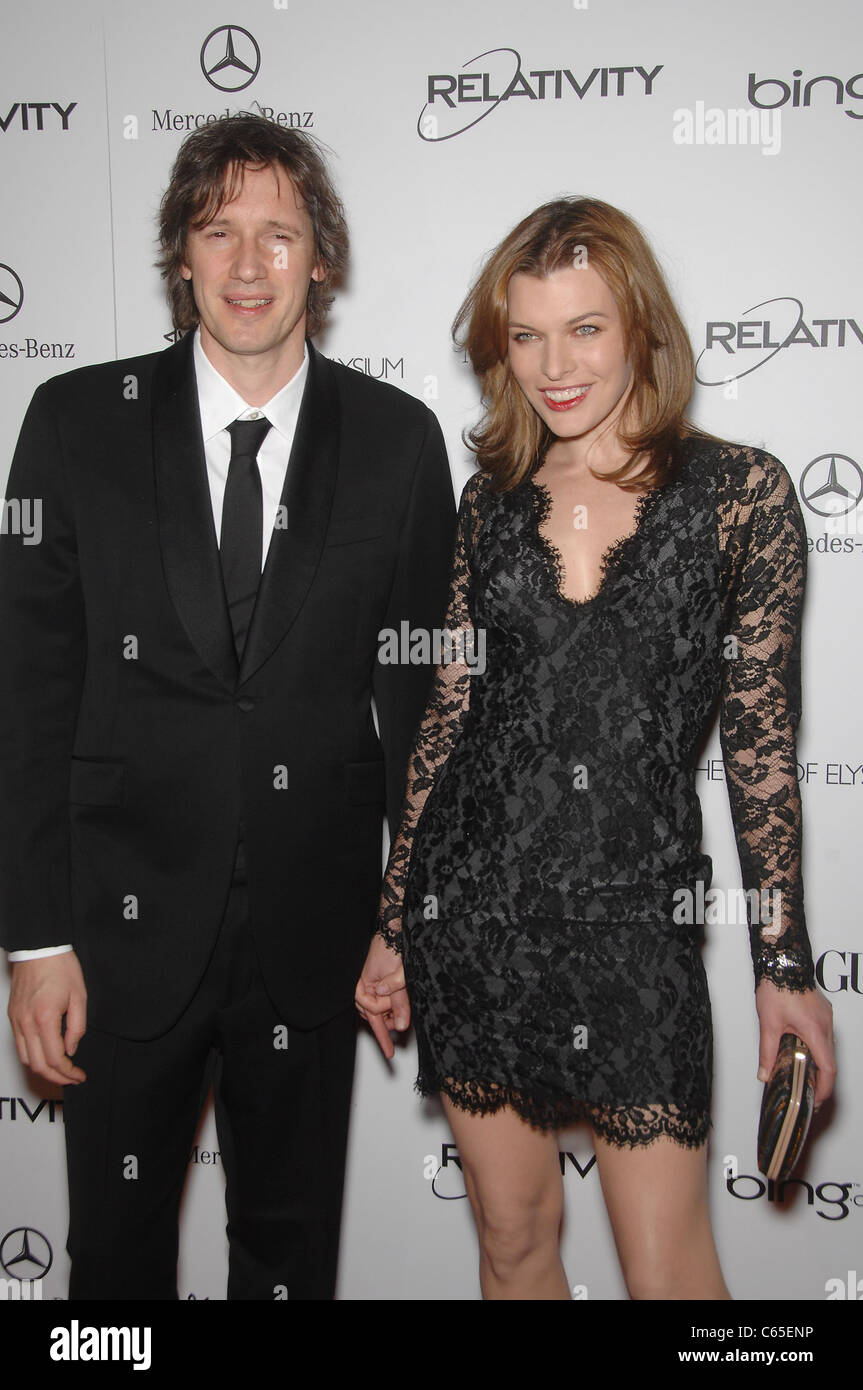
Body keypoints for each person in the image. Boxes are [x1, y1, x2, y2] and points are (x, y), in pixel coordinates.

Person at [0, 114, 455, 1300]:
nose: (248, 265)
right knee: (111, 1266)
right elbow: (27, 699)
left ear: (321, 258)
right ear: (181, 255)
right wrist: (35, 941)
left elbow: (421, 708)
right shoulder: (74, 422)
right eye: (217, 232)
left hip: (316, 935)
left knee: (289, 1260)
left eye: (278, 234)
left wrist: (403, 916)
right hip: (116, 932)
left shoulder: (398, 442)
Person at [356, 197, 836, 1301]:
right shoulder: (490, 502)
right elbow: (449, 715)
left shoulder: (742, 496)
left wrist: (782, 968)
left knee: (670, 1276)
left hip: (632, 924)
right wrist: (393, 921)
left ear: (638, 327)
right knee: (512, 1242)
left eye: (583, 329)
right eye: (525, 336)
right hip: (475, 915)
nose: (553, 366)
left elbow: (760, 747)